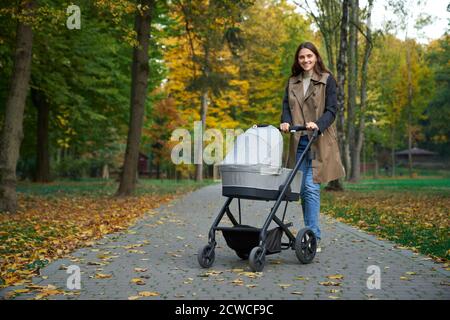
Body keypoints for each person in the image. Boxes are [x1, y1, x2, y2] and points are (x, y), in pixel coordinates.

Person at [280, 42, 345, 252]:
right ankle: (308, 233)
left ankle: (313, 237)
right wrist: (285, 121)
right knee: (301, 189)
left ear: (316, 57)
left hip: (319, 141)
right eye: (302, 57)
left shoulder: (327, 80)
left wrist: (318, 124)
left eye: (309, 56)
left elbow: (332, 110)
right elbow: (285, 106)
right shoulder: (292, 82)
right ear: (297, 60)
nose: (306, 60)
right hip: (298, 141)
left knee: (310, 186)